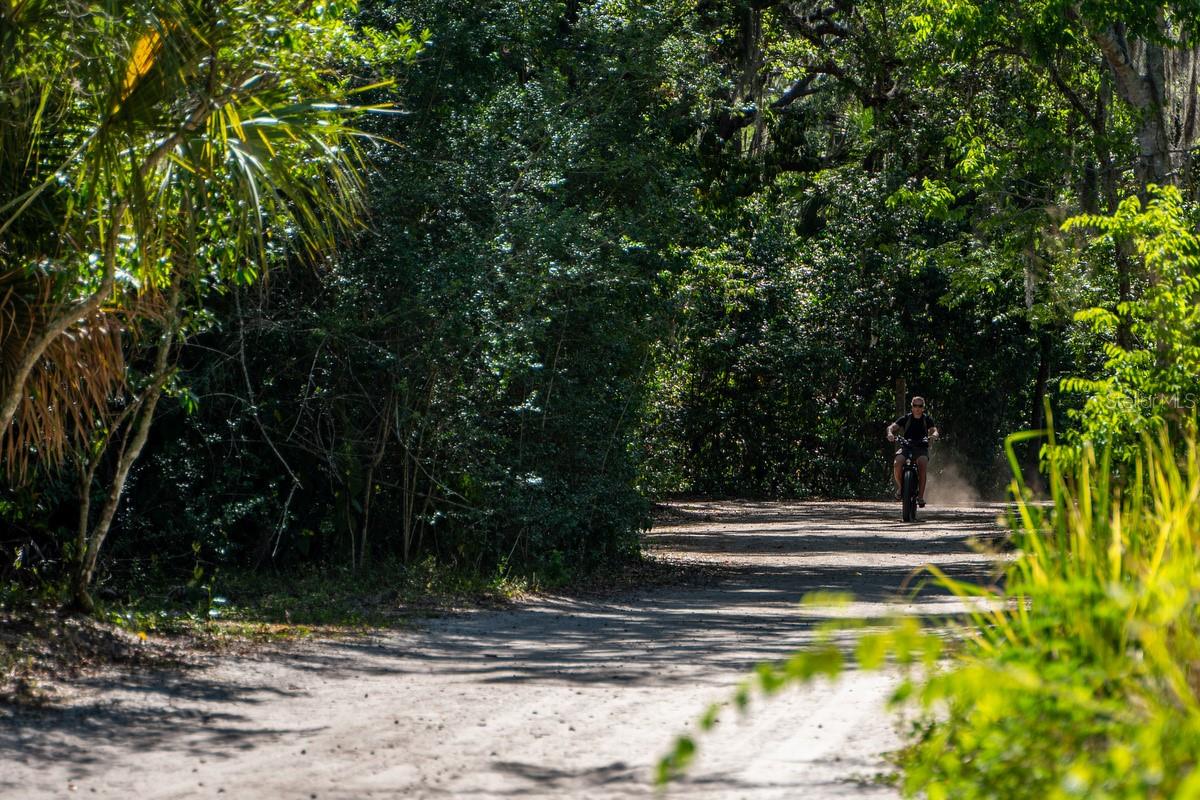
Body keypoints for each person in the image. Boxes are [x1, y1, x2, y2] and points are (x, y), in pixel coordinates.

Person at [887, 396, 939, 506]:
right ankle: (901, 487)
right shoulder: (906, 418)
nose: (917, 408)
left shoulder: (927, 419)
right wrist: (890, 433)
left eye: (920, 406)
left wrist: (934, 435)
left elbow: (934, 430)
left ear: (923, 408)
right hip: (906, 447)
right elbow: (892, 427)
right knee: (897, 463)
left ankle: (920, 497)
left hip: (921, 448)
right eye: (915, 405)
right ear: (912, 407)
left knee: (922, 465)